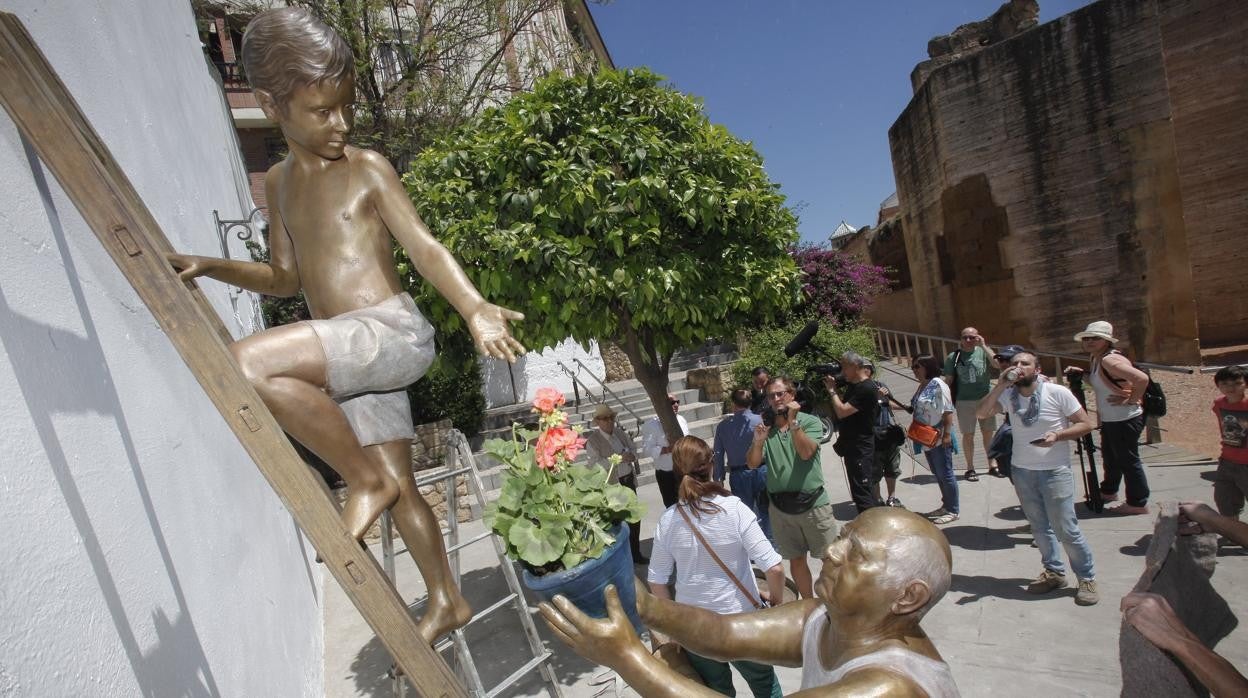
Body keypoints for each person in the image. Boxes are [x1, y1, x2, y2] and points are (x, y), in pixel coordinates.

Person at [166, 8, 525, 643]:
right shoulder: (276, 183)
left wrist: (473, 307)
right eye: (323, 111)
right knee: (402, 486)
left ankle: (358, 480)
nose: (342, 124)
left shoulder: (368, 168)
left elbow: (424, 246)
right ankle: (447, 597)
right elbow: (282, 278)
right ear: (275, 106)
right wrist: (214, 265)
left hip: (390, 333)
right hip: (352, 358)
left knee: (247, 364)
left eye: (347, 107)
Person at [539, 507, 961, 697]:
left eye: (858, 553)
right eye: (843, 536)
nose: (832, 552)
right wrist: (643, 604)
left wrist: (628, 658)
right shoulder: (824, 618)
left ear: (908, 597)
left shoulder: (888, 688)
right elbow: (725, 633)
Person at [646, 436, 785, 697]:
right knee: (766, 687)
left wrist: (673, 628)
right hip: (742, 623)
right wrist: (776, 602)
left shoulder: (668, 520)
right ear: (711, 465)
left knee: (717, 691)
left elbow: (657, 581)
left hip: (695, 629)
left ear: (677, 471)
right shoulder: (733, 509)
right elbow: (774, 568)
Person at [977, 351, 1099, 605]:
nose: (1019, 367)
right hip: (1022, 470)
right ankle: (1054, 572)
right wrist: (1000, 385)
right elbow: (982, 413)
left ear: (1037, 368)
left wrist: (1058, 436)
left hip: (1054, 470)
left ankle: (1086, 577)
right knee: (1039, 527)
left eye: (1025, 363)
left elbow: (1087, 424)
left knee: (1066, 528)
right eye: (1015, 364)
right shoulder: (1009, 396)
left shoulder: (1057, 393)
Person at [746, 377, 835, 599]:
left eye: (780, 393)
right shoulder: (767, 429)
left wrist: (794, 424)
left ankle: (834, 603)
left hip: (814, 504)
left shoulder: (810, 422)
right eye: (771, 395)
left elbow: (806, 453)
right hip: (781, 508)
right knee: (796, 559)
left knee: (830, 559)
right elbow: (752, 463)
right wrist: (758, 442)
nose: (775, 399)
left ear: (791, 395)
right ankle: (808, 604)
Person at [1067, 321, 1152, 515]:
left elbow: (1142, 379)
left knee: (1128, 460)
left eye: (1095, 338)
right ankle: (1109, 491)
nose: (1089, 342)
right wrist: (1083, 375)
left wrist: (1131, 400)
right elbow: (1102, 384)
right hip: (1112, 419)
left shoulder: (1109, 360)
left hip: (1124, 418)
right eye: (1087, 338)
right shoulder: (1098, 358)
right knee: (1112, 457)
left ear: (1106, 340)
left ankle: (1138, 503)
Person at [585, 403, 646, 564]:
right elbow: (594, 465)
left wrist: (632, 456)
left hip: (627, 481)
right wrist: (618, 459)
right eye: (605, 419)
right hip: (612, 487)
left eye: (611, 418)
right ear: (598, 422)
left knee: (634, 519)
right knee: (617, 523)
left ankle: (636, 553)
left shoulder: (620, 433)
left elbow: (634, 449)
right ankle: (623, 558)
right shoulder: (593, 441)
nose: (609, 421)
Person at [823, 352, 881, 513]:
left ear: (855, 366)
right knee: (858, 490)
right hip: (852, 445)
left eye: (844, 367)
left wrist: (832, 391)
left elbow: (842, 411)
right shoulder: (855, 386)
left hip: (860, 446)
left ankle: (870, 527)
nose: (842, 372)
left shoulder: (867, 388)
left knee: (863, 492)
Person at [713, 389, 772, 540]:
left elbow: (718, 454)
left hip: (738, 474)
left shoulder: (723, 426)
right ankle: (772, 545)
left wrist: (718, 478)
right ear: (750, 402)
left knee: (745, 514)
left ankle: (752, 545)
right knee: (766, 511)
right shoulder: (760, 420)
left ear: (733, 403)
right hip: (761, 470)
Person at [943, 327, 999, 481]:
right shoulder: (953, 357)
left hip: (985, 399)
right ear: (960, 339)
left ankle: (992, 464)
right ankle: (970, 468)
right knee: (968, 435)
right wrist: (943, 399)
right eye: (965, 337)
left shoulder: (983, 351)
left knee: (988, 433)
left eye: (972, 337)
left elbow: (997, 364)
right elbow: (949, 380)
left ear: (978, 338)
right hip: (964, 401)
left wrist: (984, 346)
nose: (968, 340)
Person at [911, 354, 959, 524]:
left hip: (938, 436)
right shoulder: (922, 385)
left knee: (945, 473)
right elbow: (913, 408)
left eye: (917, 366)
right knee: (937, 473)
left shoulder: (939, 384)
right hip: (925, 437)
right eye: (913, 367)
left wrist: (947, 435)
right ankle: (946, 505)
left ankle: (953, 510)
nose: (914, 370)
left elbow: (947, 411)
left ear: (928, 366)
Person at [864, 362, 904, 507]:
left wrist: (904, 407)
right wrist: (876, 399)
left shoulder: (881, 385)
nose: (866, 371)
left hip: (888, 434)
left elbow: (889, 403)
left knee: (892, 468)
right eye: (863, 368)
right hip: (872, 436)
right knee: (874, 472)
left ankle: (891, 498)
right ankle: (877, 500)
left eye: (868, 368)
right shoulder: (859, 390)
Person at [1210, 365, 1248, 519]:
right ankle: (1233, 534)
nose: (1230, 388)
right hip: (1227, 460)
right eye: (1225, 383)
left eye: (1237, 383)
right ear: (1218, 385)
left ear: (1246, 384)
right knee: (1225, 500)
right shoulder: (1219, 404)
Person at [642, 394, 691, 508]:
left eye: (677, 402)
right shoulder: (651, 425)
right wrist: (668, 449)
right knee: (673, 508)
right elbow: (647, 450)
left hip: (685, 471)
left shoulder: (682, 419)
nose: (676, 405)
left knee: (690, 504)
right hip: (666, 474)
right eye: (672, 402)